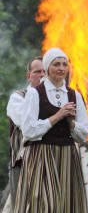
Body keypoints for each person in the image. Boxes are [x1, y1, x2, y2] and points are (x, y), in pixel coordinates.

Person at [14, 48, 88, 212]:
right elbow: (28, 130)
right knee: (44, 204)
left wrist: (71, 123)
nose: (61, 68)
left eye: (64, 64)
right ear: (47, 68)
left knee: (68, 204)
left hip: (68, 155)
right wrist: (58, 115)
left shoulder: (74, 95)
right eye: (56, 64)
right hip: (42, 155)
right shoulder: (34, 93)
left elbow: (84, 133)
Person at [6, 56, 45, 210]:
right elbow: (26, 123)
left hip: (49, 161)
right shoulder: (17, 97)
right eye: (37, 72)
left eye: (44, 72)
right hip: (23, 165)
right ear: (28, 76)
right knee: (22, 209)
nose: (42, 75)